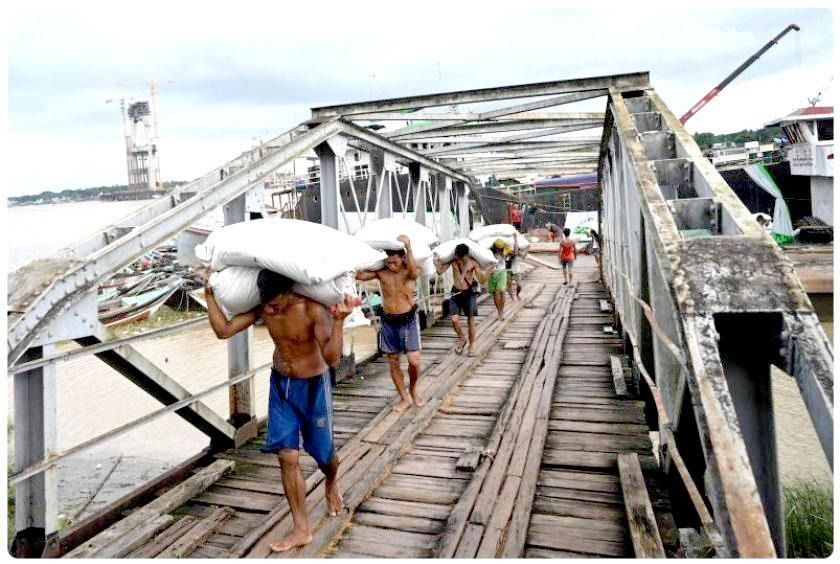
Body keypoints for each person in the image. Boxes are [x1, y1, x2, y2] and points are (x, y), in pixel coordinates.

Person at [204, 269, 356, 552]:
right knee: (287, 457)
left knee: (325, 455)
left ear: (291, 293)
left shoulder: (312, 310)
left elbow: (333, 359)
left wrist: (339, 323)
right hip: (281, 387)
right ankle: (301, 529)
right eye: (267, 303)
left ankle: (331, 482)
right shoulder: (265, 307)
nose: (270, 310)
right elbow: (223, 331)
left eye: (276, 303)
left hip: (313, 388)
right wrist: (209, 296)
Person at [355, 235, 423, 412]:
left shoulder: (408, 272)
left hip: (407, 318)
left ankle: (413, 388)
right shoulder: (381, 272)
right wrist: (364, 256)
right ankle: (404, 397)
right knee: (393, 360)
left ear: (402, 258)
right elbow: (360, 275)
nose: (392, 263)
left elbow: (415, 272)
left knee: (414, 361)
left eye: (395, 259)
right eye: (389, 259)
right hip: (388, 320)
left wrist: (409, 247)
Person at [435, 243, 489, 357]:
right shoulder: (453, 261)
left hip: (469, 293)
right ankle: (462, 338)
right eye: (458, 257)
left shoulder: (473, 262)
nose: (460, 259)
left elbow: (482, 279)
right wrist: (436, 261)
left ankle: (472, 345)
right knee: (454, 319)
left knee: (471, 320)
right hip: (455, 291)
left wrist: (485, 271)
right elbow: (440, 271)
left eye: (461, 257)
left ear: (466, 255)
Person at [488, 239, 512, 320]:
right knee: (495, 293)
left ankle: (501, 311)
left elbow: (514, 252)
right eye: (498, 248)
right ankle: (499, 311)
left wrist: (514, 240)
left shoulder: (505, 252)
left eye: (500, 248)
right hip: (492, 273)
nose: (499, 249)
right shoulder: (490, 251)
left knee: (501, 291)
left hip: (502, 272)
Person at [506, 237, 524, 301]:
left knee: (519, 285)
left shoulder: (516, 252)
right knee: (509, 285)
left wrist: (527, 249)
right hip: (507, 270)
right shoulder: (505, 251)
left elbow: (523, 257)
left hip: (516, 270)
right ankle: (512, 298)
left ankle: (517, 294)